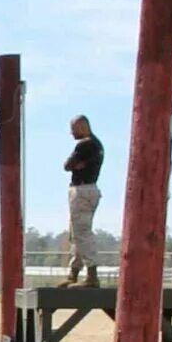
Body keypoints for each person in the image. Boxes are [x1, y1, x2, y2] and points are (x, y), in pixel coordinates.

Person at [65, 116, 104, 285]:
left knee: (81, 233)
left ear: (82, 126)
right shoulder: (97, 144)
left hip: (81, 189)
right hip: (90, 189)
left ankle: (91, 274)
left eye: (74, 128)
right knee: (77, 233)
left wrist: (75, 165)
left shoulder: (85, 144)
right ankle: (74, 272)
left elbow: (67, 165)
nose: (71, 132)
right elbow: (72, 165)